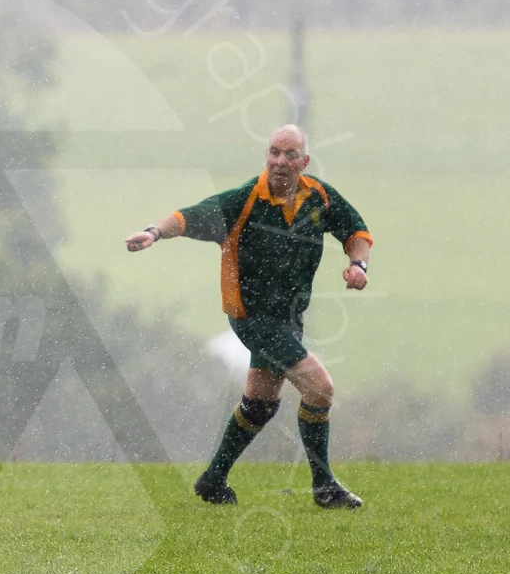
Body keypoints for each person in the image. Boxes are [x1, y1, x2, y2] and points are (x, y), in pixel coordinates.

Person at [128, 125, 372, 508]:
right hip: (252, 317)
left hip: (288, 319)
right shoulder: (244, 200)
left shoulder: (319, 196)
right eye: (274, 152)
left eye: (290, 154)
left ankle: (213, 479)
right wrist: (154, 232)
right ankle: (324, 487)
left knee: (260, 403)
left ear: (304, 162)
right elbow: (190, 216)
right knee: (320, 389)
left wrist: (358, 264)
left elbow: (356, 231)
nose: (280, 161)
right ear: (266, 156)